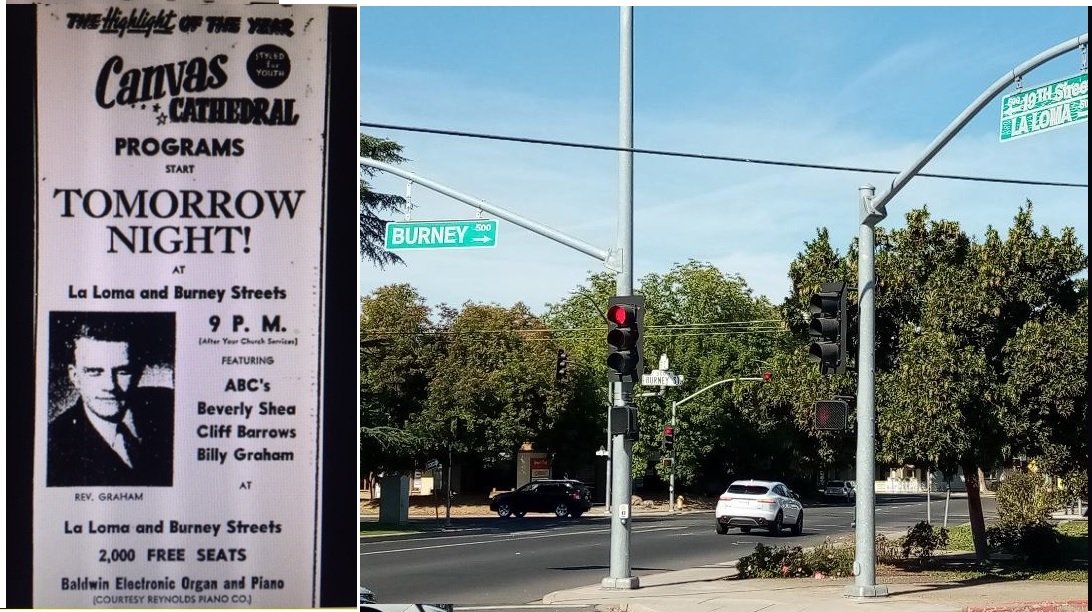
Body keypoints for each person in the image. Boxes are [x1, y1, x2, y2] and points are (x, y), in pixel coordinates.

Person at [47, 317, 174, 487]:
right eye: (94, 372)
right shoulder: (54, 445)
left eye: (123, 371)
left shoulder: (169, 407)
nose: (110, 386)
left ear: (139, 372)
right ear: (75, 377)